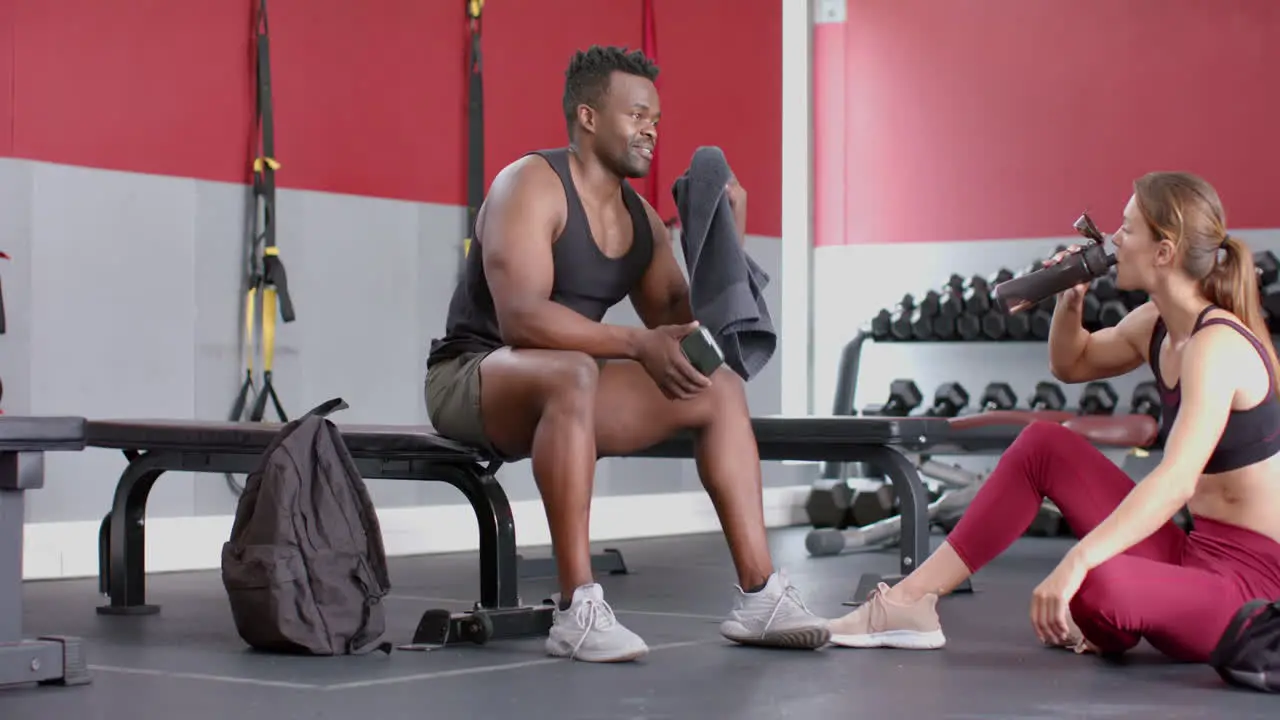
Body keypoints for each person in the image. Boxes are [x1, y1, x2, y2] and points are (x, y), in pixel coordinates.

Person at [423, 45, 830, 663]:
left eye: (656, 120)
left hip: (568, 386)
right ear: (588, 117)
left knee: (716, 386)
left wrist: (725, 241)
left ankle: (761, 595)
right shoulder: (530, 184)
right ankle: (577, 607)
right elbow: (522, 317)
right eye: (637, 114)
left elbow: (682, 330)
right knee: (572, 372)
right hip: (472, 378)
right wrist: (635, 343)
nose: (651, 130)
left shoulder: (637, 218)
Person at [826, 171, 1280, 663]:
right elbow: (1071, 363)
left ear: (1164, 252)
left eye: (1127, 230)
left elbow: (1175, 481)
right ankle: (910, 603)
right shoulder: (1156, 324)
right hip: (1193, 553)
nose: (1114, 241)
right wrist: (1071, 300)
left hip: (1252, 587)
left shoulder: (1216, 344)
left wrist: (1079, 558)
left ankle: (1126, 611)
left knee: (1093, 582)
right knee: (1043, 445)